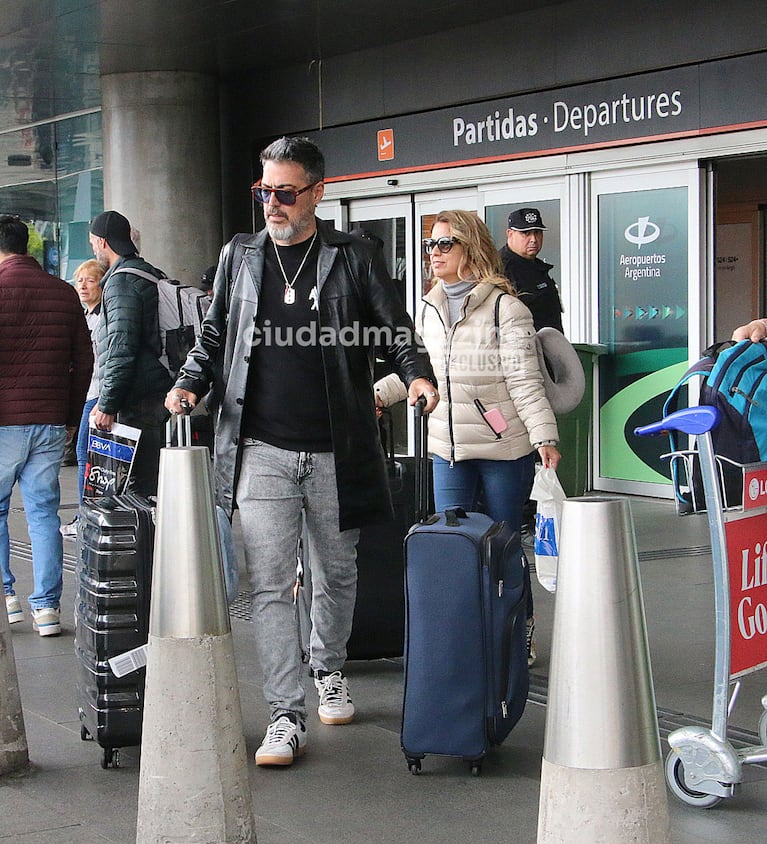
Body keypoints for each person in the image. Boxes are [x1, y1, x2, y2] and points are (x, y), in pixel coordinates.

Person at [165, 135, 439, 767]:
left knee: (336, 574)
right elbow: (214, 337)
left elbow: (394, 329)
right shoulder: (240, 258)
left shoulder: (355, 257)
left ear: (319, 191)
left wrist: (417, 373)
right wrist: (187, 383)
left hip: (338, 451)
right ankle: (284, 714)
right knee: (268, 585)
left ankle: (329, 666)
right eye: (264, 191)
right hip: (259, 447)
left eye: (285, 193)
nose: (272, 204)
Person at [375, 210, 561, 667]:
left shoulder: (506, 307)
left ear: (470, 248)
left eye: (444, 244)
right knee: (454, 547)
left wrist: (544, 436)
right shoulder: (429, 307)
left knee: (503, 546)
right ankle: (467, 634)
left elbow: (524, 380)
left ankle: (518, 628)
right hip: (449, 451)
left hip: (504, 448)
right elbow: (419, 371)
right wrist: (376, 396)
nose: (433, 254)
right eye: (429, 246)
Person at [0, 215, 93, 635]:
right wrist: (71, 416)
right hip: (51, 419)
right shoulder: (63, 293)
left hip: (4, 422)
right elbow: (84, 359)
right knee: (42, 513)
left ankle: (8, 598)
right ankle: (47, 609)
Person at [88, 210, 173, 498]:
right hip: (153, 390)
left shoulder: (121, 282)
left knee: (138, 487)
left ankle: (146, 542)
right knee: (148, 481)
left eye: (92, 242)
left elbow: (121, 348)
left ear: (102, 242)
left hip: (139, 398)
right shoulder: (146, 271)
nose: (93, 248)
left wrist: (107, 404)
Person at [61, 259, 106, 538]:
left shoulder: (103, 317)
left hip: (98, 394)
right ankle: (88, 513)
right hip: (87, 392)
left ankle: (86, 516)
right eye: (79, 280)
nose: (83, 285)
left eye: (90, 280)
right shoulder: (84, 315)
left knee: (84, 454)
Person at [500, 207, 564, 333]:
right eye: (526, 233)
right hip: (522, 348)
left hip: (548, 347)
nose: (534, 239)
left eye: (537, 232)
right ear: (510, 234)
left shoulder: (538, 267)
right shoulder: (500, 270)